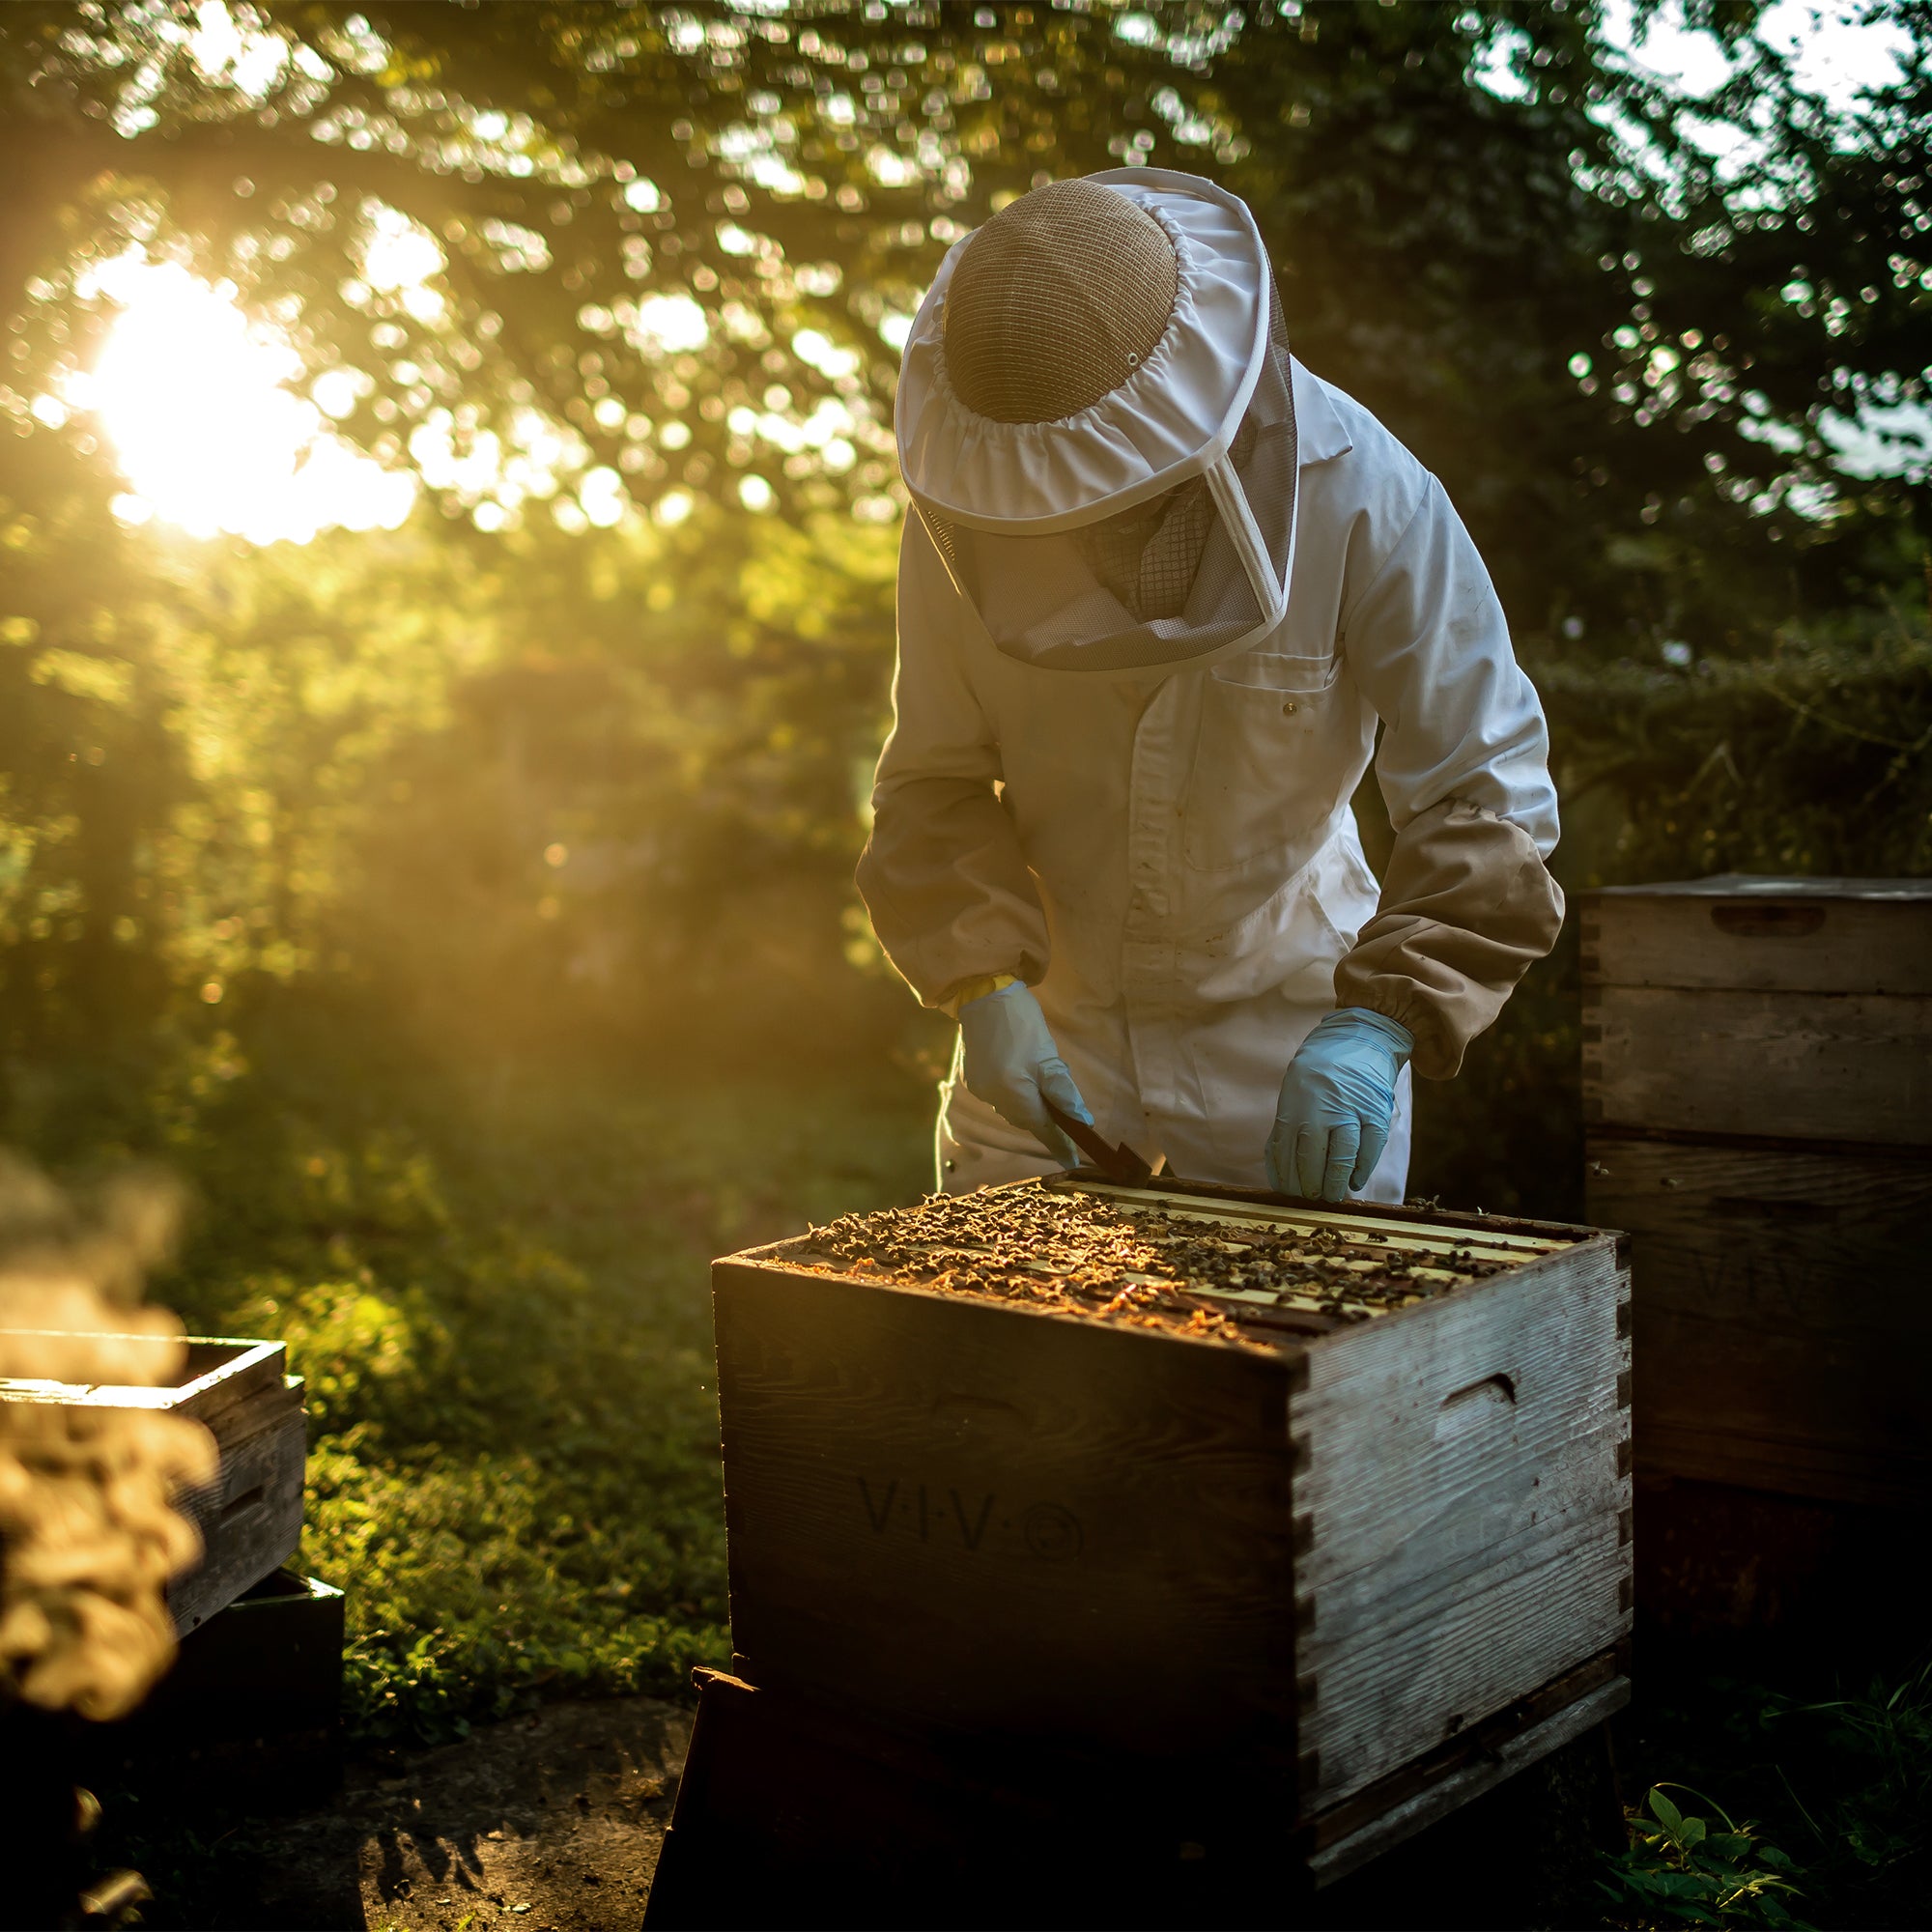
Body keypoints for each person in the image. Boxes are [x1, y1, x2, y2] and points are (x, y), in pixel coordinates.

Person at [856, 169, 1563, 1204]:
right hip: (1050, 1042)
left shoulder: (1370, 496)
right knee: (1000, 1359)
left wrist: (1381, 1022)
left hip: (1290, 1043)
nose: (1067, 529)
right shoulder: (969, 513)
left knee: (1310, 1361)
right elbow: (930, 781)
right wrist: (981, 983)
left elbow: (1485, 795)